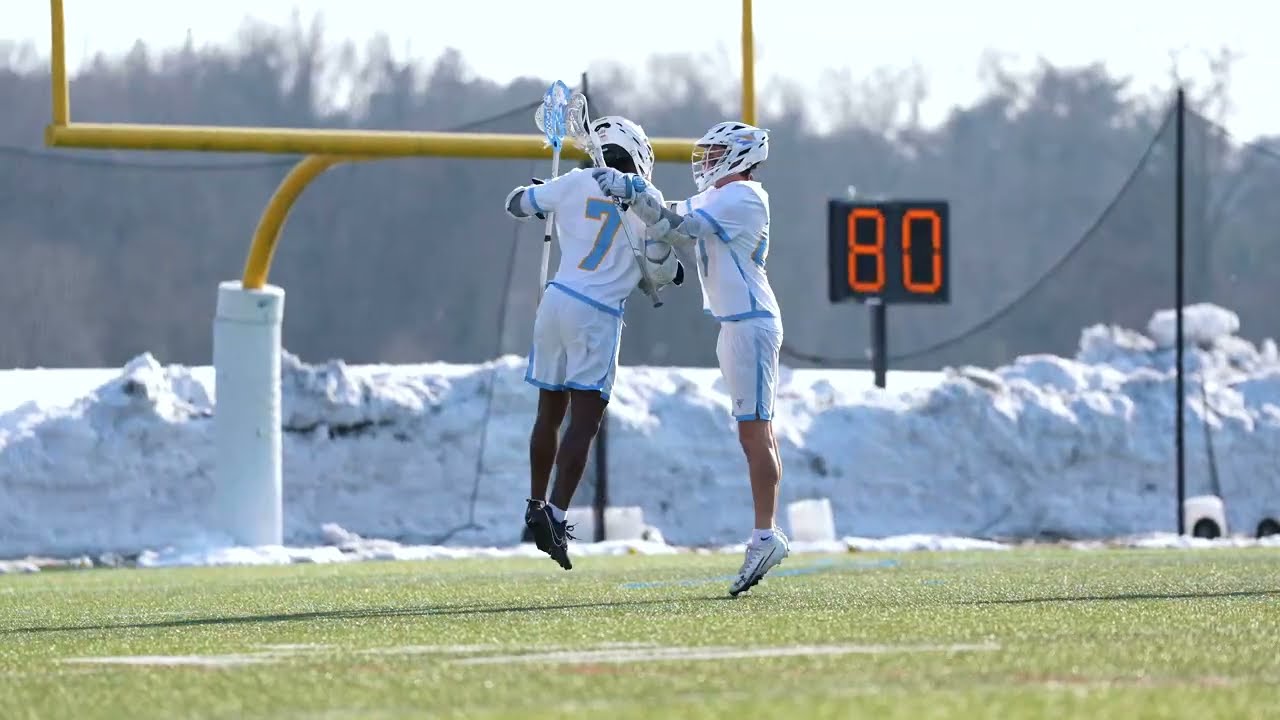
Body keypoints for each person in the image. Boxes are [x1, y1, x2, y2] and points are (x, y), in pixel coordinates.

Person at [591, 121, 787, 596]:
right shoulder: (722, 197)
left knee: (755, 431)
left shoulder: (742, 197)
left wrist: (635, 191)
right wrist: (631, 195)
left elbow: (678, 228)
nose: (706, 160)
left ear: (740, 156)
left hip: (750, 321)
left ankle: (765, 534)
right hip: (735, 322)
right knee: (754, 431)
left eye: (717, 151)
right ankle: (765, 533)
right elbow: (667, 214)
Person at [503, 115, 682, 570]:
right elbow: (665, 261)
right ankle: (557, 516)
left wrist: (545, 197)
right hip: (598, 315)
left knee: (549, 412)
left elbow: (515, 204)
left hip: (556, 302)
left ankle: (535, 503)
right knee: (583, 421)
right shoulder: (645, 197)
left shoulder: (575, 180)